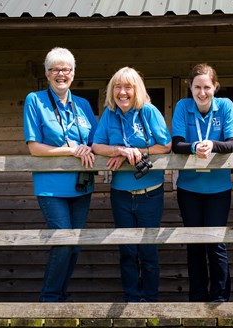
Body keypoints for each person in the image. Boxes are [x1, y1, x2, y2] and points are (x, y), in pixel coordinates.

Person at [23, 47, 98, 302]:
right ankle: (50, 299)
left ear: (73, 73)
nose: (61, 74)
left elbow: (96, 142)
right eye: (55, 69)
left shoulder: (84, 105)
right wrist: (70, 150)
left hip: (82, 185)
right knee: (64, 240)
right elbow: (34, 148)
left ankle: (60, 297)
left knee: (75, 244)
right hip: (51, 186)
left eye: (66, 69)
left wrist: (89, 147)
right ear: (47, 74)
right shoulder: (35, 100)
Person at [92, 67, 172, 302]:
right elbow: (97, 146)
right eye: (117, 87)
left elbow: (165, 146)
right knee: (127, 250)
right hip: (121, 195)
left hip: (150, 193)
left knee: (148, 250)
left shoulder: (148, 111)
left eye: (128, 87)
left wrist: (137, 152)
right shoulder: (110, 113)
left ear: (137, 89)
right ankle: (131, 298)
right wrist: (119, 150)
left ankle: (150, 300)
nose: (122, 92)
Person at [171, 64, 233, 302]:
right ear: (190, 87)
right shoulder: (182, 106)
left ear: (215, 87)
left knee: (216, 244)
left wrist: (211, 144)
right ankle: (197, 298)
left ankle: (220, 298)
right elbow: (176, 144)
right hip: (189, 188)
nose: (202, 93)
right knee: (195, 244)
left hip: (218, 188)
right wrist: (193, 147)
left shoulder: (226, 106)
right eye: (197, 87)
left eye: (207, 87)